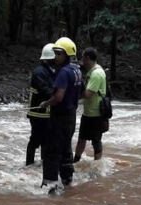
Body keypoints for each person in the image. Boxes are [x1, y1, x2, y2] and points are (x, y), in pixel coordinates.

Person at [40, 37, 83, 194]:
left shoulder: (64, 72)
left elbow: (58, 97)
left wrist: (46, 103)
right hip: (71, 116)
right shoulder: (77, 70)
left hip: (59, 117)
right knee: (66, 149)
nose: (55, 57)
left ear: (66, 54)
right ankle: (67, 180)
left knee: (52, 151)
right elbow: (82, 93)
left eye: (58, 53)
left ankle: (49, 186)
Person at [74, 47, 106, 162]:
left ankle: (97, 165)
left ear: (87, 58)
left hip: (96, 113)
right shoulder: (92, 71)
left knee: (96, 141)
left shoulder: (97, 73)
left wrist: (71, 97)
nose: (81, 60)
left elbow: (88, 94)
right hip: (89, 113)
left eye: (82, 58)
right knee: (82, 138)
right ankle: (76, 161)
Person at [26, 43, 55, 166]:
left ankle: (43, 163)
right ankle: (29, 163)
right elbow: (46, 91)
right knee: (35, 139)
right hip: (37, 113)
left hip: (47, 113)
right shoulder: (39, 73)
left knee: (46, 141)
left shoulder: (50, 71)